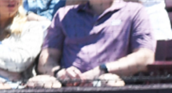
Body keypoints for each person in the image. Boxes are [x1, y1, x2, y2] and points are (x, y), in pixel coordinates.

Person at [27, 0, 155, 88]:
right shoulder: (64, 14)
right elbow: (45, 61)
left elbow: (145, 57)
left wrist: (102, 70)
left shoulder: (135, 12)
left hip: (114, 88)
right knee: (39, 82)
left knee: (109, 81)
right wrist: (60, 73)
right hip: (69, 88)